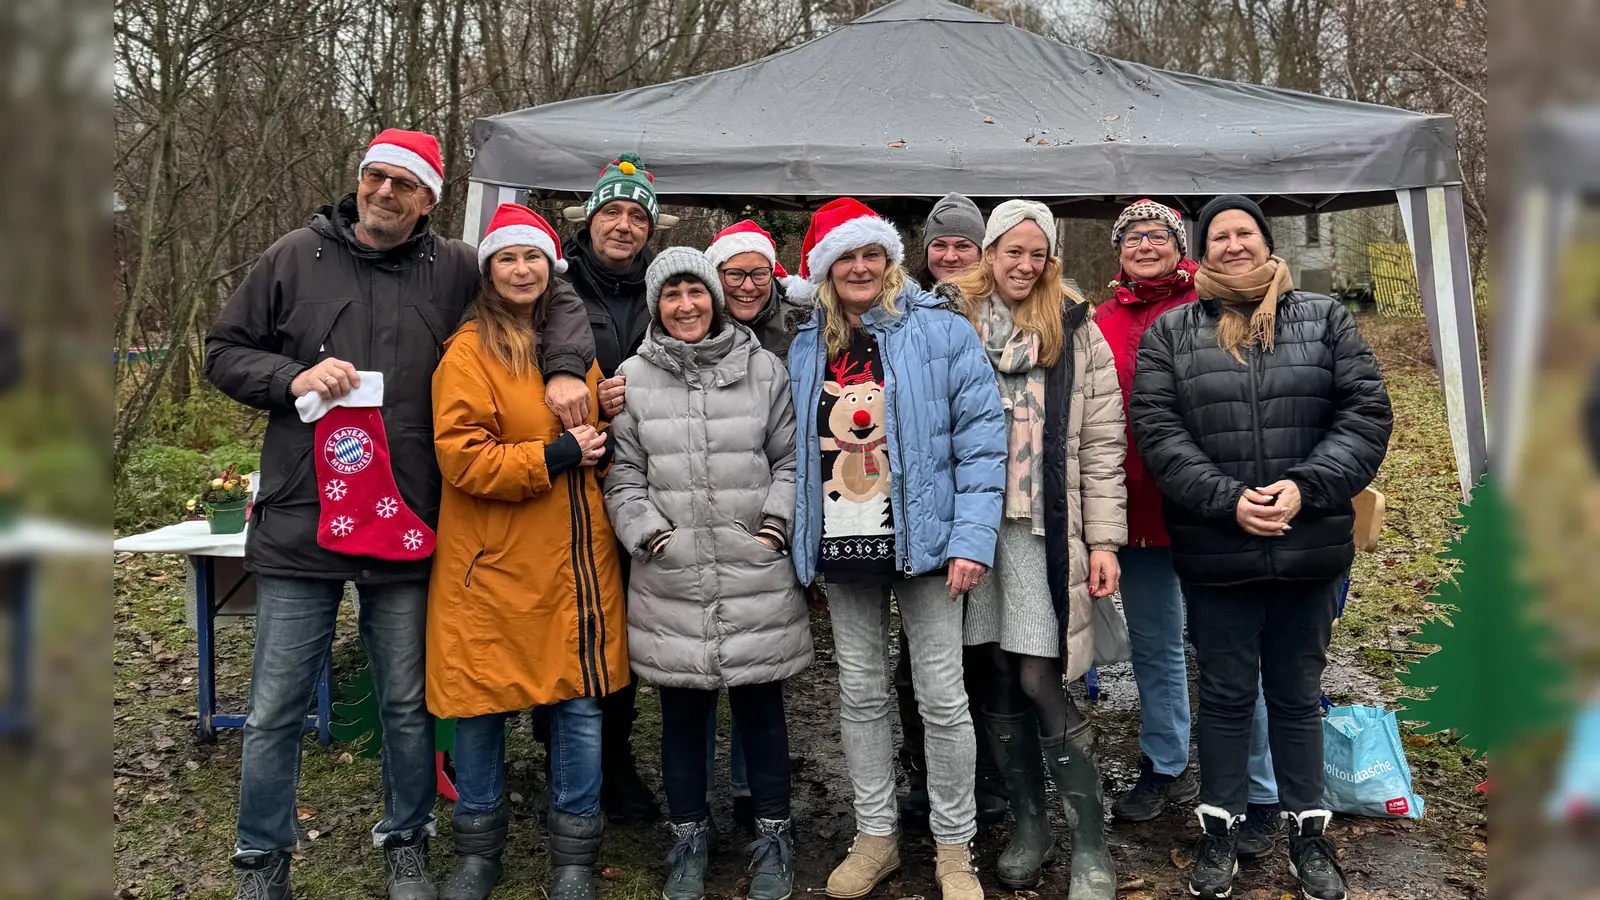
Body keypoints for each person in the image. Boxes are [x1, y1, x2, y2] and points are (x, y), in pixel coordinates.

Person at [203, 130, 594, 900]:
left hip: (408, 519)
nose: (384, 192)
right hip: (302, 519)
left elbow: (554, 292)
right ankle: (260, 862)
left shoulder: (454, 267)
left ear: (427, 200)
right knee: (274, 709)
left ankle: (407, 842)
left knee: (409, 705)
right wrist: (290, 376)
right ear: (360, 181)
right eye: (375, 177)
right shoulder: (294, 257)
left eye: (403, 184)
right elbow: (223, 351)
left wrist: (560, 369)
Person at [1131, 195, 1392, 900]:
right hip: (1218, 550)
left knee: (1297, 696)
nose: (1234, 244)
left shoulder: (1324, 319)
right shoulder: (1173, 333)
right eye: (1219, 235)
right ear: (1203, 251)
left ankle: (1309, 837)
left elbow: (1365, 414)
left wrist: (1306, 487)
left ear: (1266, 242)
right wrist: (1227, 500)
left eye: (1244, 231)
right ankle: (1219, 832)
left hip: (1309, 546)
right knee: (1224, 695)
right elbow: (1158, 431)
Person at [786, 198, 1006, 900]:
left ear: (889, 261)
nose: (859, 267)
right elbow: (794, 452)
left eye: (871, 254)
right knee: (860, 694)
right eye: (845, 257)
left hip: (929, 545)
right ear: (826, 270)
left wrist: (972, 539)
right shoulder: (806, 344)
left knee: (942, 698)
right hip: (843, 543)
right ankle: (875, 835)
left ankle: (954, 848)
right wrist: (801, 546)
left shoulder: (941, 331)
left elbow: (981, 441)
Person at [426, 204, 626, 900]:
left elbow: (600, 438)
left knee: (578, 705)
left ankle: (574, 856)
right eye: (507, 259)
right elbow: (461, 457)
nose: (520, 270)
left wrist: (608, 424)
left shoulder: (571, 350)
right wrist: (555, 454)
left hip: (574, 561)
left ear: (550, 267)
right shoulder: (467, 352)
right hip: (492, 565)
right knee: (480, 706)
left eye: (532, 257)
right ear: (489, 272)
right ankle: (477, 851)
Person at [603, 247, 813, 900]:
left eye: (696, 291)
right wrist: (648, 535)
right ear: (656, 305)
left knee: (762, 711)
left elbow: (791, 460)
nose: (686, 305)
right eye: (671, 295)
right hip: (672, 573)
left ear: (715, 299)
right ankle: (689, 836)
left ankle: (773, 835)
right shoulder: (632, 377)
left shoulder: (763, 369)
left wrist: (775, 527)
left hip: (754, 567)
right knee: (682, 715)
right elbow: (623, 474)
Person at [947, 200, 1125, 899]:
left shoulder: (1075, 328)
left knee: (1038, 676)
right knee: (992, 672)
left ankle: (1090, 843)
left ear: (1051, 259)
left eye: (1037, 253)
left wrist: (1104, 539)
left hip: (1042, 530)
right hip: (969, 529)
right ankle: (1030, 825)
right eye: (1011, 251)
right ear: (988, 253)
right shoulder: (952, 323)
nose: (1024, 265)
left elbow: (1102, 444)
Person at [1095, 200, 1285, 855]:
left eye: (1158, 235)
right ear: (1119, 250)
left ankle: (1260, 784)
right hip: (1138, 510)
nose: (1145, 245)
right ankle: (1164, 759)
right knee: (1154, 645)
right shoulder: (1100, 321)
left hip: (1214, 509)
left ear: (1182, 247)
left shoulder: (1213, 306)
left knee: (1230, 651)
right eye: (1132, 237)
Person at [893, 191, 1008, 830]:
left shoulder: (1007, 307)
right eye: (940, 244)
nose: (951, 254)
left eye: (964, 244)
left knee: (988, 652)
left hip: (995, 502)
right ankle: (924, 772)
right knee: (918, 659)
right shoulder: (904, 310)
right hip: (927, 515)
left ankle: (992, 774)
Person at [563, 152, 662, 823]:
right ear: (591, 217)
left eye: (636, 216)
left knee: (619, 625)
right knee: (571, 621)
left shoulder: (663, 286)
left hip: (644, 479)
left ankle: (616, 760)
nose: (623, 225)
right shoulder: (556, 282)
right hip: (568, 476)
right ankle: (564, 750)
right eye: (613, 212)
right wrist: (579, 386)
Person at [706, 219, 812, 357]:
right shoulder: (691, 324)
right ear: (714, 275)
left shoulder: (805, 326)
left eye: (759, 274)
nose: (748, 286)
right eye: (735, 274)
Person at [913, 192, 984, 288]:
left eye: (963, 246)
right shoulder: (903, 296)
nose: (950, 258)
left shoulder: (1002, 296)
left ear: (981, 252)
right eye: (939, 245)